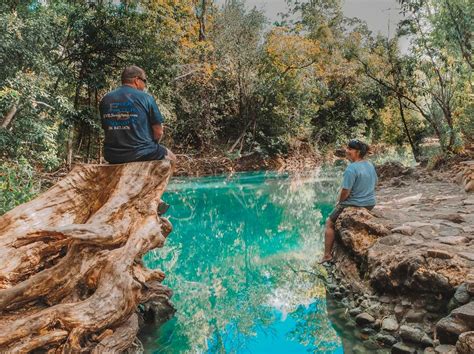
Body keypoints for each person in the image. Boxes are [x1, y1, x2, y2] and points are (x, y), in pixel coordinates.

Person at [99, 65, 176, 164]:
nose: (145, 85)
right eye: (144, 81)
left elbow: (107, 129)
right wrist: (151, 146)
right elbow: (159, 131)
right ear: (136, 80)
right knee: (173, 158)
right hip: (142, 153)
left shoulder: (105, 99)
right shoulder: (146, 98)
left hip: (112, 155)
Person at [320, 139, 378, 264]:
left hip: (355, 203)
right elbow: (375, 183)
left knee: (329, 222)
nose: (347, 151)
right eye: (347, 148)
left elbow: (345, 192)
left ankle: (327, 255)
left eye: (350, 149)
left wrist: (339, 202)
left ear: (357, 152)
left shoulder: (351, 169)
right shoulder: (369, 165)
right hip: (370, 203)